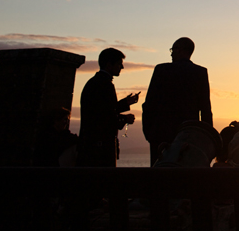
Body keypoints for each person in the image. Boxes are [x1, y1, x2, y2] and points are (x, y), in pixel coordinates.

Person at [142, 37, 213, 166]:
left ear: (179, 50)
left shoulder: (161, 70)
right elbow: (205, 109)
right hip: (188, 137)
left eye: (173, 49)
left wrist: (149, 133)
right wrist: (207, 140)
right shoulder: (200, 72)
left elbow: (149, 104)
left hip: (160, 135)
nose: (171, 53)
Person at [76, 48, 138, 167]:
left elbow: (105, 109)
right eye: (120, 64)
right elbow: (104, 116)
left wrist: (126, 103)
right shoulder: (105, 85)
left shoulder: (95, 83)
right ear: (109, 65)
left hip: (90, 146)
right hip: (99, 149)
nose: (122, 67)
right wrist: (125, 119)